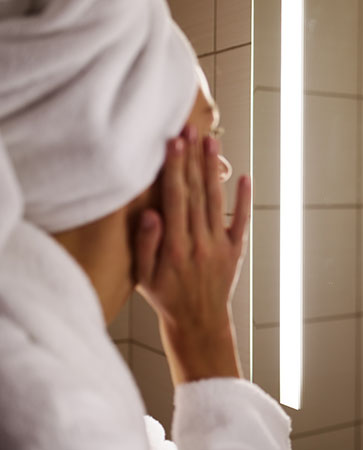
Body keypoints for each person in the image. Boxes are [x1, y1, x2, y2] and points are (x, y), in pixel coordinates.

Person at [0, 0, 290, 448]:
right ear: (124, 155)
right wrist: (206, 334)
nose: (221, 170)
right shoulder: (53, 423)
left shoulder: (47, 372)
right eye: (207, 137)